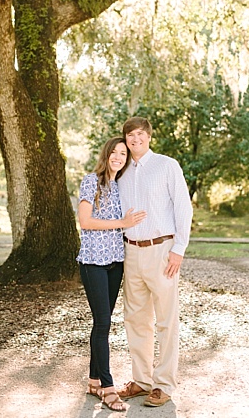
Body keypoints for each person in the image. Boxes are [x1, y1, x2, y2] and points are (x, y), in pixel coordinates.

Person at [116, 117, 193, 408]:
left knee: (166, 320)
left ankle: (163, 384)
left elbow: (183, 207)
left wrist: (179, 248)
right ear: (124, 140)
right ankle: (141, 380)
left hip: (162, 250)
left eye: (139, 134)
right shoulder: (121, 171)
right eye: (129, 135)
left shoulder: (167, 165)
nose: (135, 139)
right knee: (136, 319)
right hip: (131, 252)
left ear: (148, 136)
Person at [78, 136, 147, 412]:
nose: (118, 157)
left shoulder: (121, 186)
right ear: (106, 154)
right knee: (103, 323)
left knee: (102, 323)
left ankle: (94, 381)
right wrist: (122, 223)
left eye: (123, 153)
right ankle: (108, 388)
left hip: (116, 262)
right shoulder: (90, 181)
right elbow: (85, 221)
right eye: (114, 152)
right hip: (93, 262)